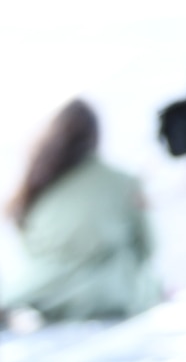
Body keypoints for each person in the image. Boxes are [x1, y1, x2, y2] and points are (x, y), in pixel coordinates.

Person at [3, 100, 161, 322]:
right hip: (110, 297)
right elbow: (148, 247)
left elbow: (28, 242)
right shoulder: (123, 182)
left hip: (42, 294)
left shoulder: (40, 181)